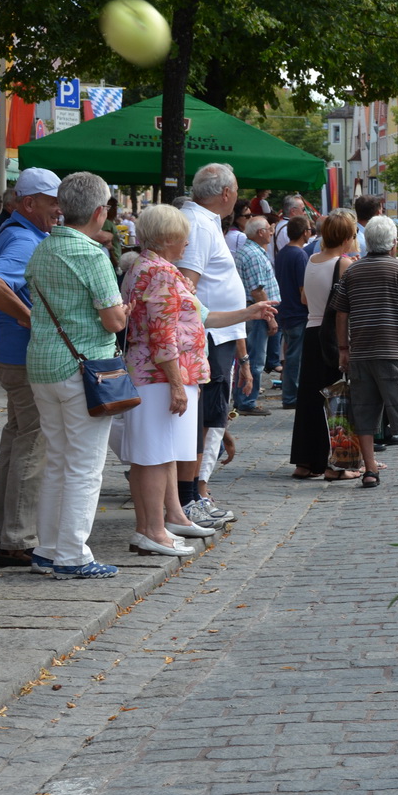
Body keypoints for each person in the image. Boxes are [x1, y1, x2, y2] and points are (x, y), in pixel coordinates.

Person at [120, 204, 271, 556]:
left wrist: (249, 312)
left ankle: (163, 523)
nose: (187, 244)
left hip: (158, 373)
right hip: (159, 376)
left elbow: (201, 317)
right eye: (183, 237)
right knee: (154, 455)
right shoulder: (159, 273)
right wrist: (176, 383)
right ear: (167, 238)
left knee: (160, 454)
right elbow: (162, 334)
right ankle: (151, 531)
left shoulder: (153, 268)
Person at [25, 171, 127, 579]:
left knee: (57, 460)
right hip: (85, 368)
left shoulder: (44, 247)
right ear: (100, 211)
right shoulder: (91, 254)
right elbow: (113, 321)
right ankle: (72, 555)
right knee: (84, 465)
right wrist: (125, 311)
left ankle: (48, 548)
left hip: (44, 363)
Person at [0, 167, 59, 570]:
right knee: (32, 442)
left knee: (17, 439)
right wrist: (29, 317)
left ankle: (3, 535)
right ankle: (17, 538)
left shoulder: (13, 231)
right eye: (53, 201)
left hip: (11, 353)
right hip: (22, 355)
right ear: (29, 203)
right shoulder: (24, 239)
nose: (59, 209)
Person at [332, 216, 398, 488]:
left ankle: (369, 471)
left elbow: (341, 314)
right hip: (393, 352)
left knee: (364, 410)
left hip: (361, 352)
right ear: (392, 243)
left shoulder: (352, 271)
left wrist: (343, 349)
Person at [176, 164, 249, 528]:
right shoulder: (200, 224)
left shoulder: (205, 222)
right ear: (225, 193)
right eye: (236, 190)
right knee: (203, 419)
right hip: (206, 337)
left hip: (216, 335)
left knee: (209, 417)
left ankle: (194, 492)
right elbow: (186, 287)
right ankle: (190, 496)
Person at [290, 210, 361, 481]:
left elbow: (305, 299)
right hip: (332, 335)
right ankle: (337, 464)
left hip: (311, 331)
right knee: (336, 397)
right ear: (345, 238)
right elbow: (350, 304)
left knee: (309, 398)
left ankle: (306, 461)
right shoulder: (343, 264)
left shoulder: (311, 259)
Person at [231, 216, 278, 417]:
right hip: (256, 313)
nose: (271, 232)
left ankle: (244, 399)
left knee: (251, 357)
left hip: (254, 312)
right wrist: (270, 317)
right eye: (268, 229)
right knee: (255, 359)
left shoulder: (250, 251)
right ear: (260, 232)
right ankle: (247, 401)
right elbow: (257, 290)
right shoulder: (253, 254)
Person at [273, 216, 311, 410]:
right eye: (309, 229)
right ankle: (291, 396)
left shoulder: (283, 253)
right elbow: (303, 289)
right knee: (296, 356)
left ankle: (290, 394)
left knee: (289, 354)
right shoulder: (300, 255)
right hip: (297, 312)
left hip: (285, 310)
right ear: (304, 232)